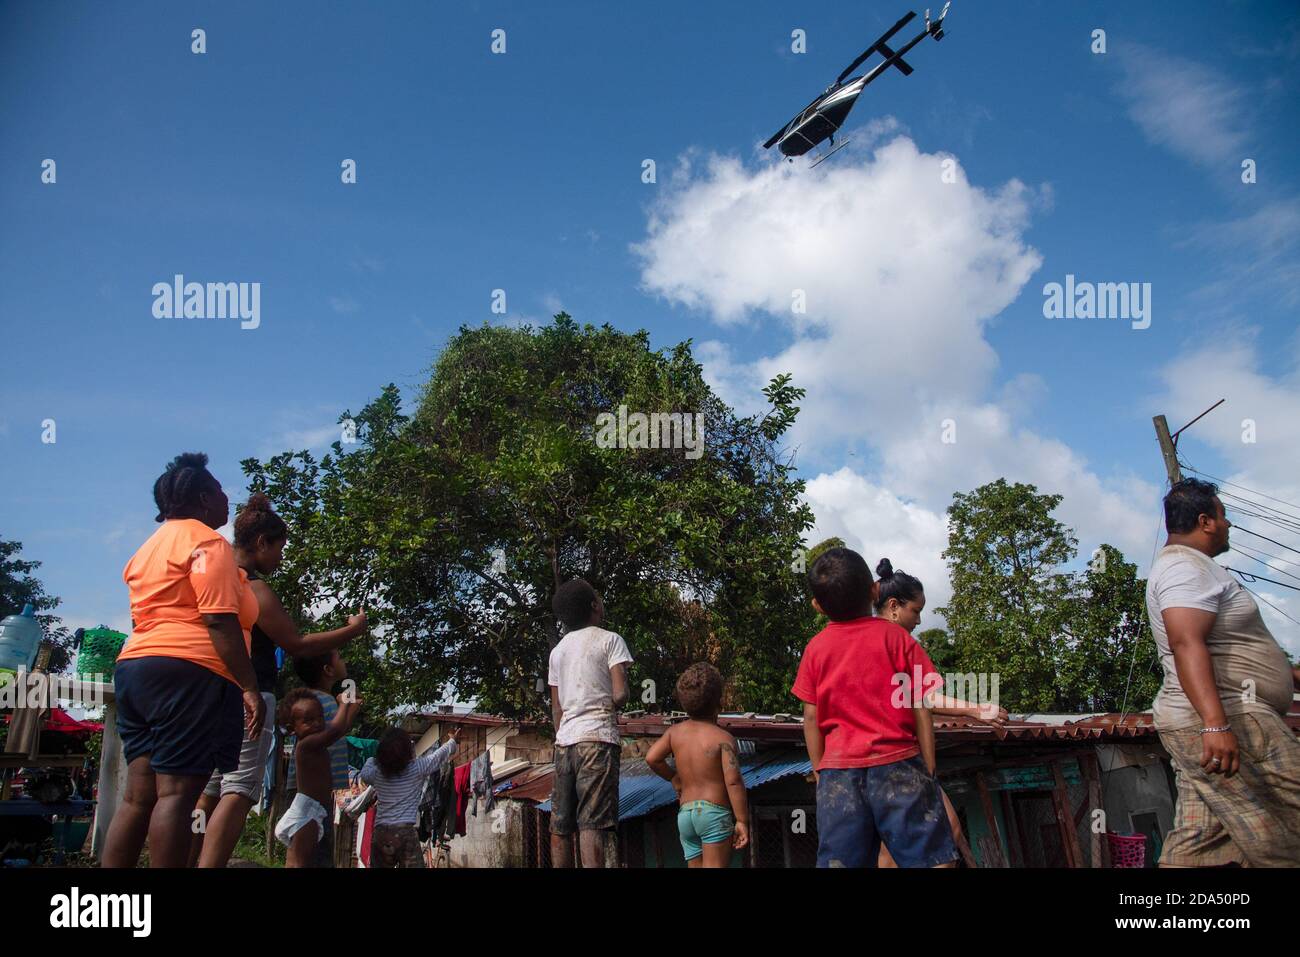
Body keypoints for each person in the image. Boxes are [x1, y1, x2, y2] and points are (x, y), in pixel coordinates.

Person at [103, 452, 264, 868]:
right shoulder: (207, 543)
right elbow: (217, 619)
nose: (229, 500)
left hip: (136, 669)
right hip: (190, 673)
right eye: (220, 491)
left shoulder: (148, 548)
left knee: (139, 797)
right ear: (205, 500)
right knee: (177, 794)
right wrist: (249, 686)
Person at [191, 493, 367, 868]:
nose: (280, 558)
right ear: (261, 543)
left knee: (204, 790)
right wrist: (352, 631)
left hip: (204, 689)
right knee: (236, 792)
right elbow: (297, 644)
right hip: (247, 695)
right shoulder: (252, 587)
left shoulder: (208, 575)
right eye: (279, 549)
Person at [1146, 478, 1300, 866]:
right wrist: (1216, 725)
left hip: (1212, 721)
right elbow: (1186, 642)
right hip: (1233, 718)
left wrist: (1287, 674)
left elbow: (1227, 648)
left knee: (1201, 845)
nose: (1229, 525)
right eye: (1224, 516)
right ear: (1206, 521)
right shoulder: (1184, 568)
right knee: (1287, 829)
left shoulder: (1193, 568)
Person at [794, 546, 957, 868]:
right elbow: (921, 706)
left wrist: (818, 770)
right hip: (899, 764)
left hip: (838, 775)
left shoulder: (815, 649)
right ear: (874, 591)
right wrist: (928, 764)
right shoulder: (898, 640)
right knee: (933, 859)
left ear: (817, 605)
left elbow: (810, 716)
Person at [871, 557, 1006, 867]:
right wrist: (977, 710)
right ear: (894, 605)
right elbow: (926, 697)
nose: (918, 621)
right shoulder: (900, 642)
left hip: (863, 760)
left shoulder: (854, 639)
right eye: (915, 611)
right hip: (899, 756)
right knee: (935, 837)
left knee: (920, 836)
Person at [547, 578, 632, 868]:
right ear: (594, 605)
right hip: (597, 739)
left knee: (560, 823)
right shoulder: (610, 639)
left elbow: (556, 707)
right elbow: (620, 693)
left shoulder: (557, 651)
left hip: (565, 742)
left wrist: (564, 732)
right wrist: (610, 702)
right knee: (591, 822)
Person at [646, 663, 750, 868]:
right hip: (713, 814)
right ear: (719, 703)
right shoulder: (723, 738)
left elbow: (652, 758)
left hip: (686, 816)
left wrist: (674, 778)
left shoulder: (675, 733)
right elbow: (734, 782)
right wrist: (741, 820)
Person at [282, 649, 355, 866]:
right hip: (310, 798)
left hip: (308, 795)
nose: (345, 660)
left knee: (300, 850)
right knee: (314, 851)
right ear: (328, 670)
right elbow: (335, 730)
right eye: (340, 657)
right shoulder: (322, 701)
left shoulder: (313, 700)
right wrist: (345, 704)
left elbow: (338, 729)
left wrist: (348, 706)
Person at [360, 726, 461, 868]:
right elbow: (439, 756)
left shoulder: (376, 773)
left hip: (381, 833)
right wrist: (452, 741)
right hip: (405, 832)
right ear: (407, 752)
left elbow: (364, 773)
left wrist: (373, 759)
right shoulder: (416, 768)